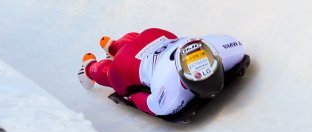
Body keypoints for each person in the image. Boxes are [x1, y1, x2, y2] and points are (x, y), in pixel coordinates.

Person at [78, 28, 246, 117]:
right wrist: (129, 95)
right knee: (114, 76)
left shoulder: (228, 50)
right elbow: (144, 102)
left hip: (157, 36)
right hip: (129, 62)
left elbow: (236, 45)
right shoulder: (169, 98)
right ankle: (90, 68)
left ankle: (115, 45)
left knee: (137, 40)